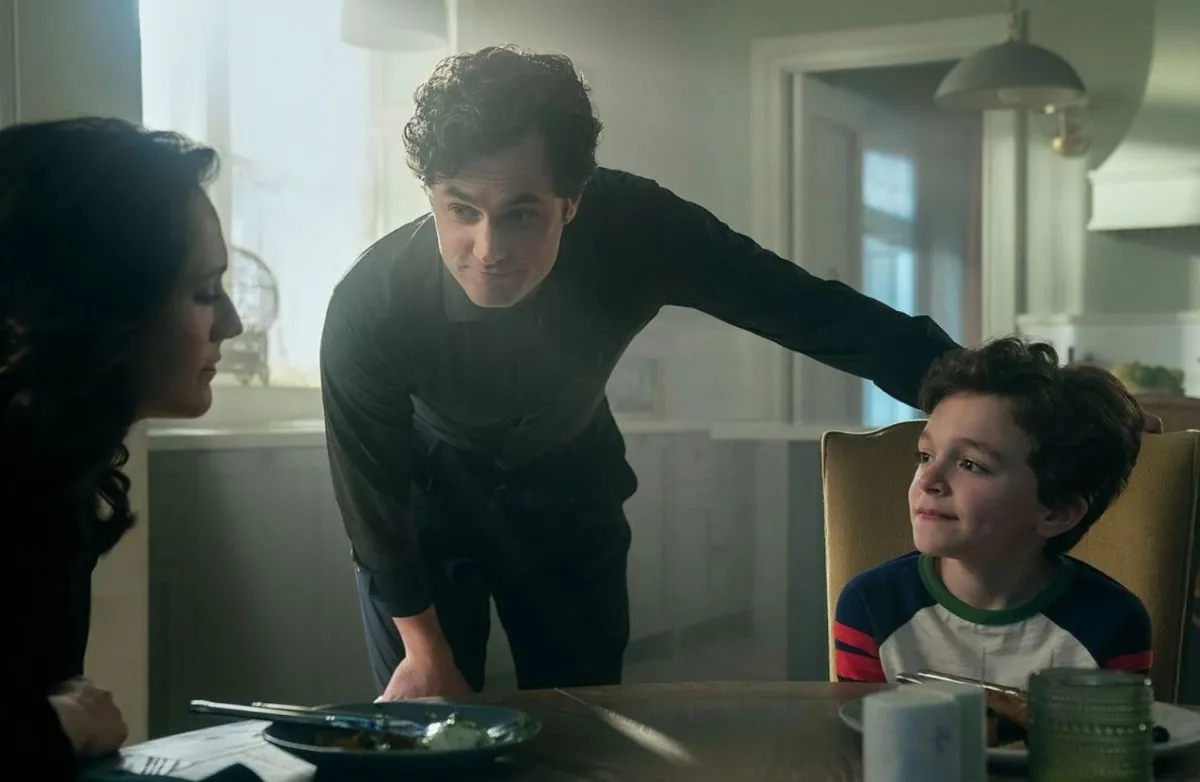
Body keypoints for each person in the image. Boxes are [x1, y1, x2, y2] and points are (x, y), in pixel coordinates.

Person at [319, 42, 967, 701]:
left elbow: (803, 307)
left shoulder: (639, 228)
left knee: (583, 723)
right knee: (426, 732)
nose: (489, 251)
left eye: (522, 214)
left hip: (571, 493)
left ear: (572, 202)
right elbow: (372, 504)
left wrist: (972, 390)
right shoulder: (369, 307)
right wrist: (423, 650)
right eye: (462, 211)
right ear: (431, 195)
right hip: (422, 514)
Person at [2, 118, 243, 778]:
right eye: (204, 292)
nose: (230, 324)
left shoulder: (55, 470)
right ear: (105, 304)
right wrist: (56, 726)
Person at [832, 337, 1151, 689]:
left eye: (971, 464)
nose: (928, 480)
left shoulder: (1115, 623)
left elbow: (1112, 727)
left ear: (1058, 512)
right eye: (925, 456)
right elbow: (860, 724)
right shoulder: (871, 606)